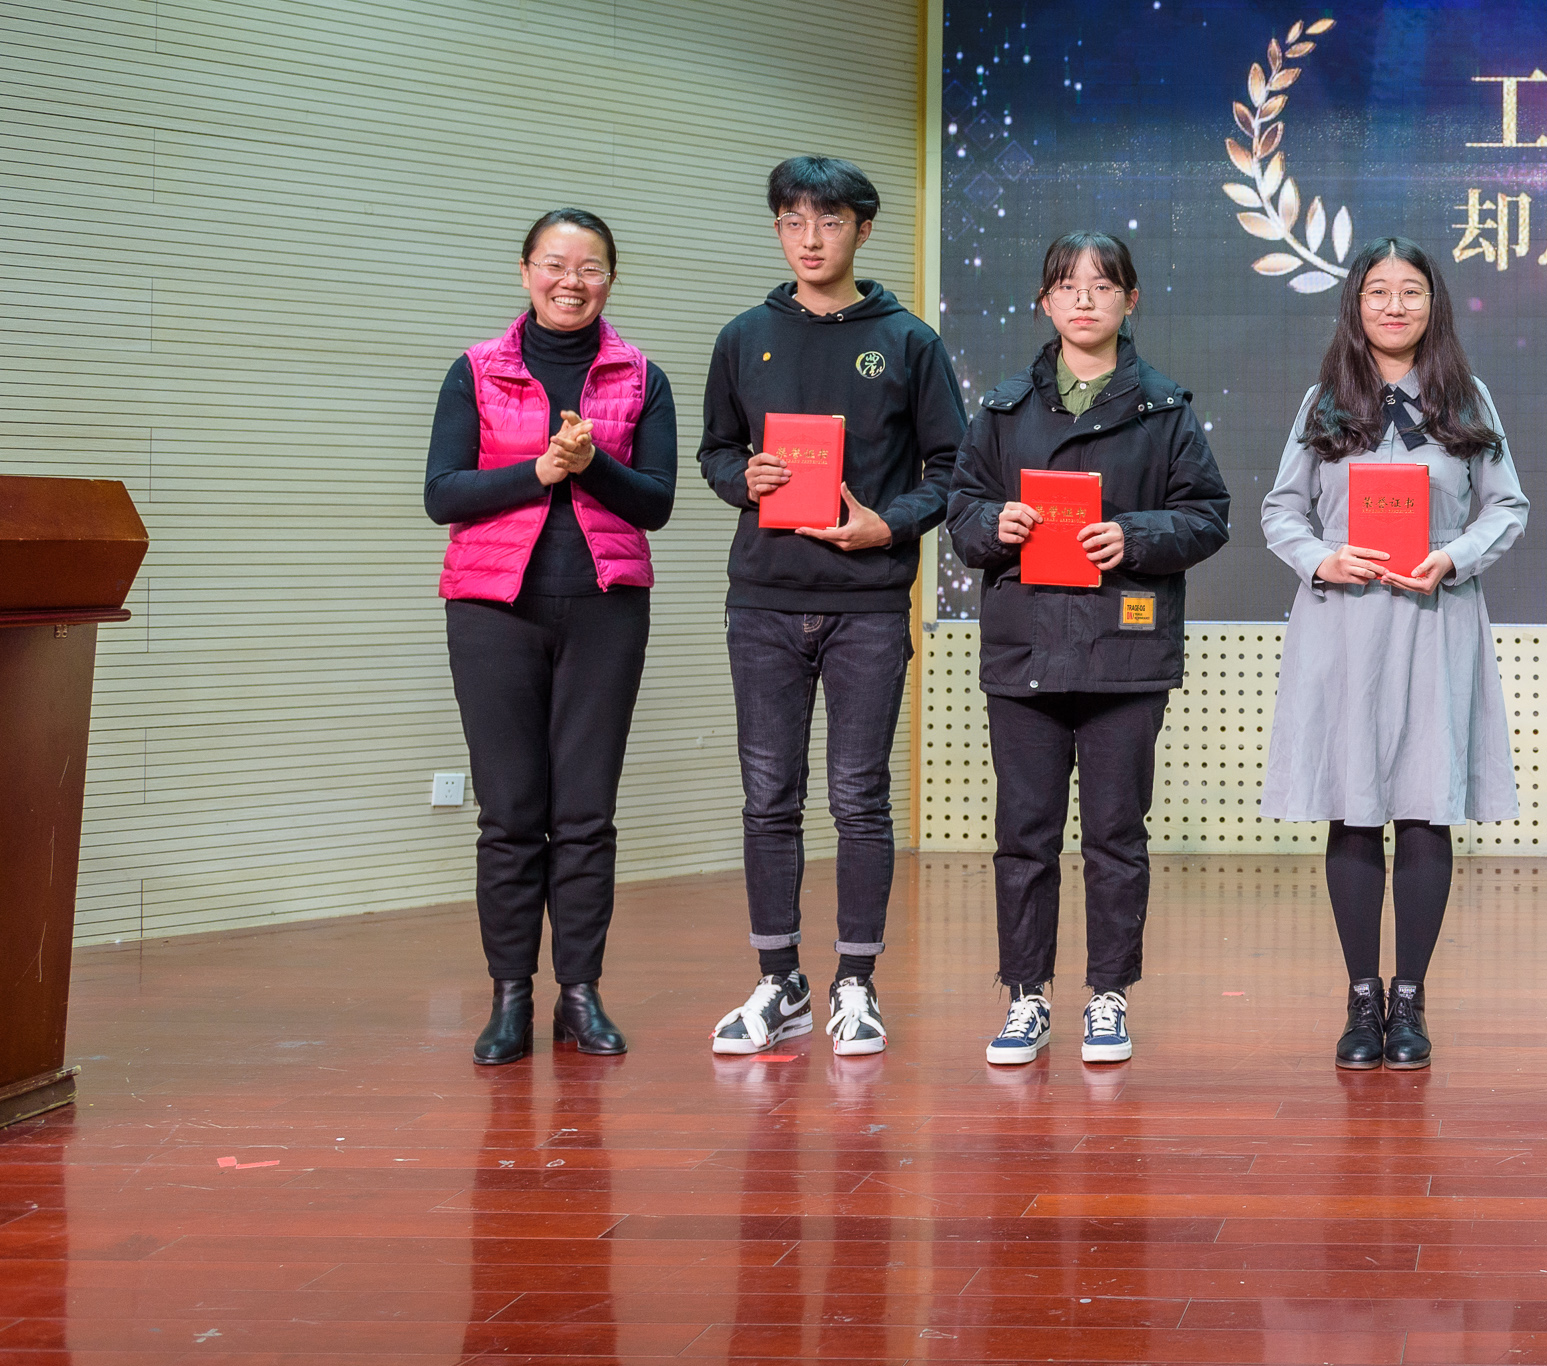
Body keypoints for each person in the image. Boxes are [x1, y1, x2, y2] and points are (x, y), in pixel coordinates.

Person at [696, 156, 966, 1059]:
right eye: (793, 221)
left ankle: (857, 982)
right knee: (768, 796)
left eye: (829, 221)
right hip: (763, 602)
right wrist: (744, 478)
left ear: (863, 228)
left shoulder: (909, 341)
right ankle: (780, 982)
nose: (810, 239)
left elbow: (952, 469)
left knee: (859, 796)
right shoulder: (743, 337)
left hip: (868, 606)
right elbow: (715, 451)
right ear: (777, 228)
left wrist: (888, 525)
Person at [945, 232, 1230, 1069]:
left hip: (1122, 652)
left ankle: (1108, 995)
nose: (1084, 299)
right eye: (1067, 285)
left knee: (1114, 834)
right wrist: (993, 523)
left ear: (1130, 300)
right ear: (1044, 302)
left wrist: (1133, 535)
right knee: (1024, 834)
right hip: (1026, 649)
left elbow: (1208, 516)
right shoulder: (1002, 410)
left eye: (1103, 286)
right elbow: (961, 511)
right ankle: (1025, 996)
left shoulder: (1164, 409)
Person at [1259, 240, 1528, 1071]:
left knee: (1421, 805)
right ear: (1356, 304)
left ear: (1432, 304)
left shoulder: (1465, 397)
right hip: (1343, 626)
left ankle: (1409, 998)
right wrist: (1322, 558)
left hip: (1433, 620)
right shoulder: (1323, 401)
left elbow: (1507, 507)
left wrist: (1455, 556)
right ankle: (1360, 997)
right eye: (1378, 291)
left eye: (1411, 291)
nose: (1394, 306)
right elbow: (1281, 511)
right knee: (1352, 806)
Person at [426, 209, 677, 1065]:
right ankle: (510, 998)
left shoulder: (640, 377)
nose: (572, 282)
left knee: (585, 815)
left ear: (612, 277)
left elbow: (657, 503)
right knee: (508, 814)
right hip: (492, 612)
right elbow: (442, 493)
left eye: (590, 267)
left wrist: (591, 463)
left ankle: (580, 994)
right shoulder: (476, 370)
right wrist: (538, 471)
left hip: (606, 610)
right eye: (554, 264)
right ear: (526, 270)